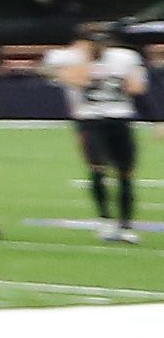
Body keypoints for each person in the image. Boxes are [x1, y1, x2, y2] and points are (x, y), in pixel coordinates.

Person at [43, 25, 149, 244]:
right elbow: (63, 76)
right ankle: (105, 220)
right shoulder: (68, 58)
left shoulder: (124, 57)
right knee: (97, 168)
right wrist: (84, 67)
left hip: (119, 118)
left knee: (125, 173)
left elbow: (136, 88)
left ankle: (126, 224)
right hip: (89, 120)